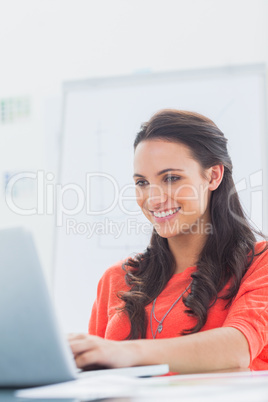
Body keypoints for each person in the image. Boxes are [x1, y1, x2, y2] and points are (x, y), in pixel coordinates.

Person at [69, 109, 268, 374]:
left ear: (213, 176)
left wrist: (126, 352)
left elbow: (238, 348)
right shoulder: (116, 278)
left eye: (171, 178)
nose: (153, 199)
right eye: (142, 182)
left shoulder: (259, 264)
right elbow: (94, 377)